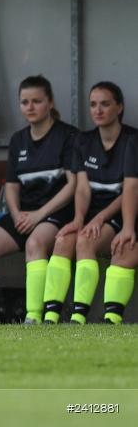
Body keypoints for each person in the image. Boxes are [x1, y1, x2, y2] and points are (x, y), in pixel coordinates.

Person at [0, 76, 77, 324]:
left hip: (55, 213)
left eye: (36, 101)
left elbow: (73, 186)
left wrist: (38, 215)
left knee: (35, 244)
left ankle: (33, 317)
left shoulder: (67, 136)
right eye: (24, 102)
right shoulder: (18, 139)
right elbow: (11, 187)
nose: (30, 107)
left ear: (50, 102)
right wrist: (16, 213)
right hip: (23, 215)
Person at [43, 82, 137, 324]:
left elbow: (130, 189)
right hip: (94, 214)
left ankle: (80, 317)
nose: (98, 110)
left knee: (88, 241)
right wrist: (78, 218)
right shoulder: (83, 141)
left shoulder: (132, 140)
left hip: (123, 213)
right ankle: (49, 317)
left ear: (120, 107)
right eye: (93, 104)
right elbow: (82, 188)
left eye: (105, 104)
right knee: (64, 240)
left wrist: (100, 218)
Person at [104, 134, 136, 323]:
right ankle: (111, 321)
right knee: (123, 251)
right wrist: (128, 228)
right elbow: (131, 188)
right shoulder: (135, 142)